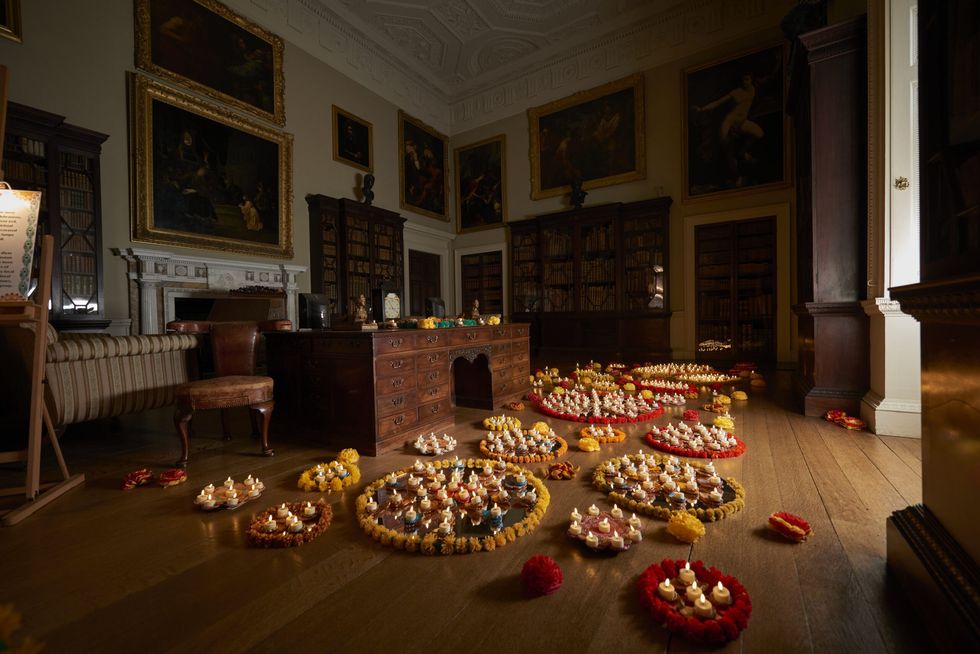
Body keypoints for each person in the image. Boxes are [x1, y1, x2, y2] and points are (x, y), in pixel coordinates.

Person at [693, 54, 779, 188]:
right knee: (728, 151)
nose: (745, 82)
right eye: (743, 80)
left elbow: (768, 78)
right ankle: (737, 177)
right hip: (729, 121)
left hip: (742, 122)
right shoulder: (736, 92)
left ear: (751, 79)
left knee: (759, 133)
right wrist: (702, 109)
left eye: (747, 79)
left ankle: (743, 152)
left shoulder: (753, 89)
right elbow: (718, 102)